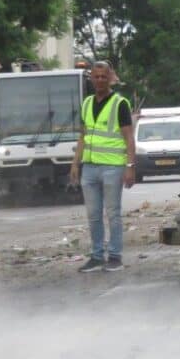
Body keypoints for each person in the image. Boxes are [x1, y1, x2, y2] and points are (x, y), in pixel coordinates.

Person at [69, 61, 136, 272]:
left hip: (112, 168)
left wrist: (130, 166)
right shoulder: (87, 103)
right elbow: (83, 136)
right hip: (89, 167)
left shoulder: (120, 103)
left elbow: (129, 138)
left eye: (103, 77)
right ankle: (97, 257)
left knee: (113, 213)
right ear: (90, 78)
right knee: (93, 214)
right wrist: (75, 163)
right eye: (96, 77)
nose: (99, 80)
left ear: (110, 78)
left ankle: (115, 256)